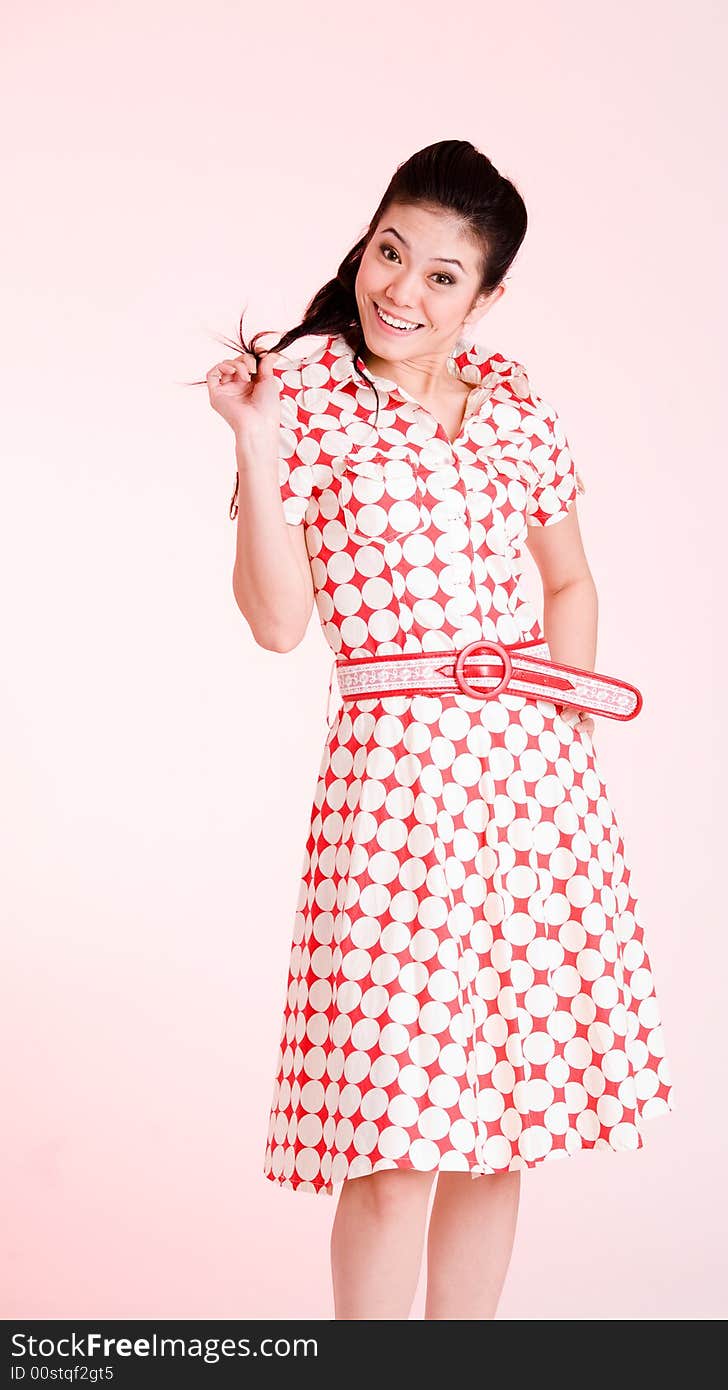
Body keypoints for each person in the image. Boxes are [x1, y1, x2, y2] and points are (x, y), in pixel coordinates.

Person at [204, 139, 674, 1320]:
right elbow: (276, 622)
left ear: (487, 296)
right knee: (393, 1133)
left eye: (441, 275)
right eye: (389, 252)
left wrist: (563, 736)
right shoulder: (304, 396)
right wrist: (256, 450)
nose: (400, 292)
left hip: (531, 784)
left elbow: (569, 582)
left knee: (498, 1123)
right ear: (364, 244)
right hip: (394, 780)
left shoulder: (518, 408)